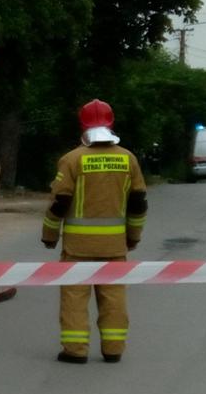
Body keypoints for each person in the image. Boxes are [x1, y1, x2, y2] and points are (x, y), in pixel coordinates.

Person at [42, 99, 148, 364]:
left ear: (82, 124)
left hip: (77, 247)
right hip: (114, 247)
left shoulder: (72, 159)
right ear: (111, 123)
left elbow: (59, 203)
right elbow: (138, 205)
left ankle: (75, 351)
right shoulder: (128, 159)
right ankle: (113, 349)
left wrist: (49, 236)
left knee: (75, 297)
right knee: (114, 298)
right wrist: (133, 237)